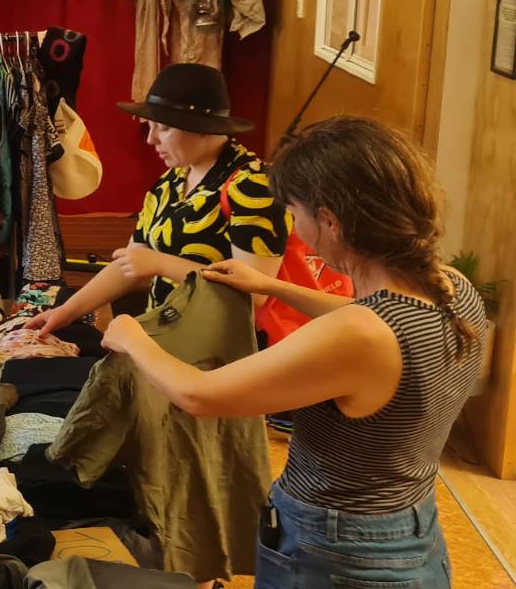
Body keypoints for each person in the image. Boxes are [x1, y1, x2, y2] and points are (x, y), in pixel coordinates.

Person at [101, 116, 487, 589]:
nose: (294, 229)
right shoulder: (453, 288)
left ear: (330, 220)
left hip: (339, 550)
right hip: (410, 525)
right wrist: (272, 285)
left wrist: (128, 335)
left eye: (294, 213)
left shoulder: (359, 336)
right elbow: (365, 314)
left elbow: (199, 396)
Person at [27, 62, 287, 337]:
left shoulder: (254, 185)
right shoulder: (172, 180)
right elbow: (131, 264)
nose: (151, 139)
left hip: (220, 352)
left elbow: (255, 293)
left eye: (162, 129)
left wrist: (160, 263)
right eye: (150, 127)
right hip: (165, 336)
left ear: (200, 127)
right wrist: (64, 313)